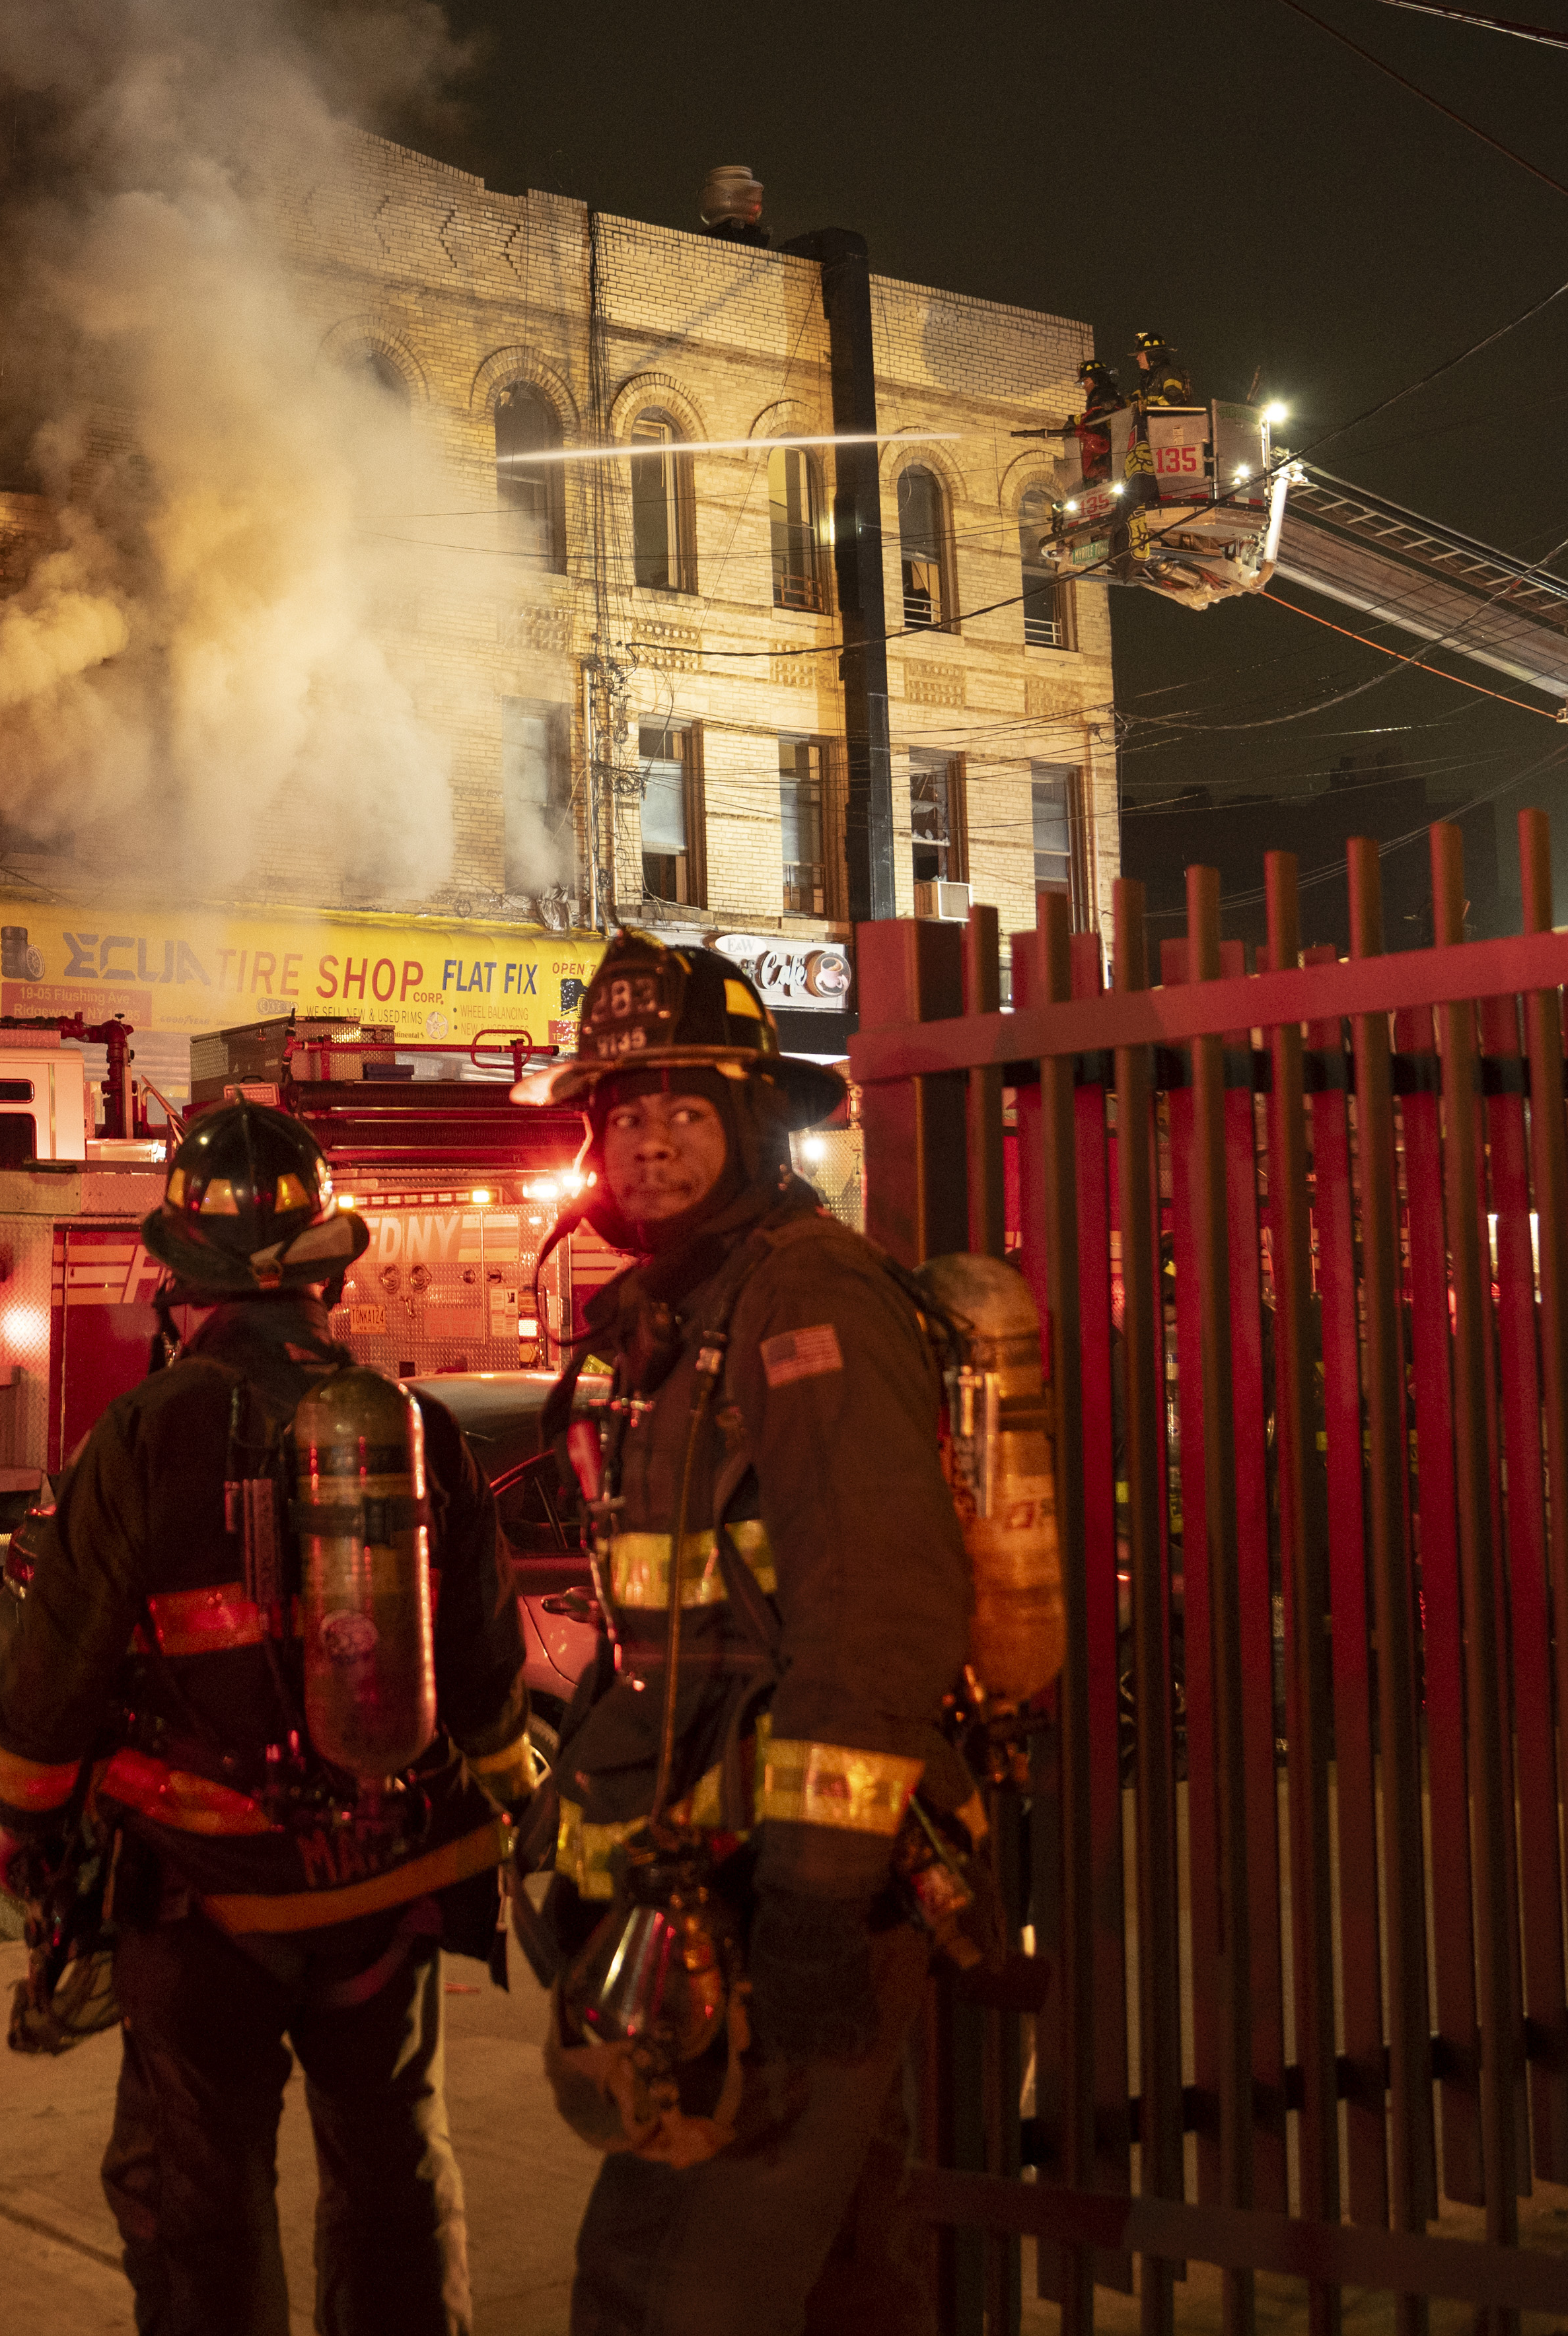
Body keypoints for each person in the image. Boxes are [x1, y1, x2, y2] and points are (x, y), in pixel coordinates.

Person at [0, 1098, 536, 2336]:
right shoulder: (421, 1431)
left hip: (205, 1890)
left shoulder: (142, 1431)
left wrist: (23, 1818)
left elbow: (53, 1671)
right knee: (393, 2164)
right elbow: (490, 1674)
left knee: (197, 2185)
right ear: (324, 1281)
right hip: (391, 1882)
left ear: (183, 1282)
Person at [520, 935, 972, 2336]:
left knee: (661, 2279)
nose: (645, 1143)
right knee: (843, 2271)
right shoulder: (686, 1310)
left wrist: (815, 1899)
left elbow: (876, 1605)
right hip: (725, 1876)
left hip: (783, 1891)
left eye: (683, 1111)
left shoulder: (806, 1297)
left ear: (755, 1124)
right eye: (623, 1113)